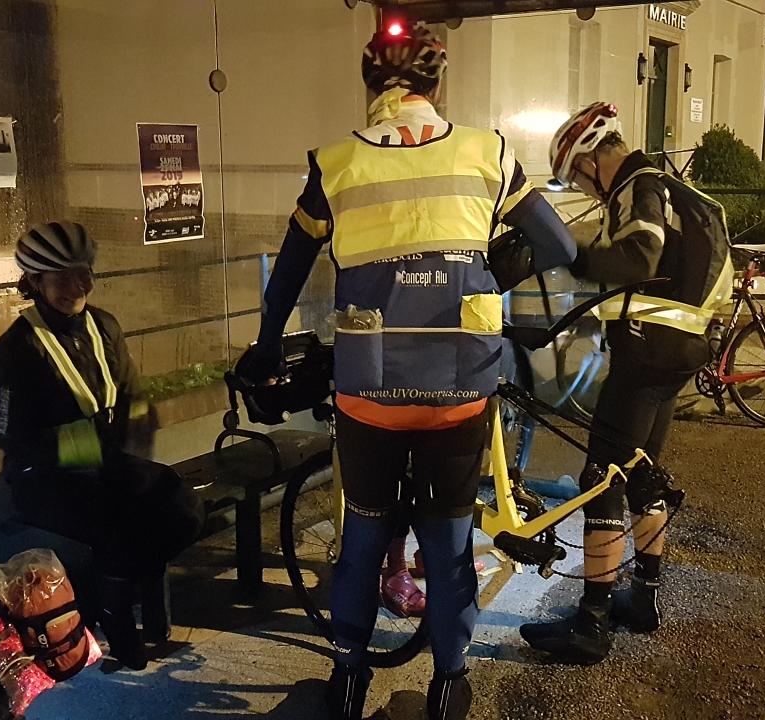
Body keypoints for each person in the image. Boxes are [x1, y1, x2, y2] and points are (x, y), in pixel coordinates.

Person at [235, 24, 576, 720]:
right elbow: (559, 243)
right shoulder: (488, 153)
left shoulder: (335, 164)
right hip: (459, 389)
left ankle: (347, 682)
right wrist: (490, 268)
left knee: (362, 538)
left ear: (370, 86)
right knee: (449, 548)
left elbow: (287, 278)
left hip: (371, 393)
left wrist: (267, 349)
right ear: (437, 86)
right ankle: (449, 687)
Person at [519, 103, 733, 664]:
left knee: (601, 478)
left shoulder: (637, 185)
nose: (582, 188)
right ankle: (643, 600)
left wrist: (578, 258)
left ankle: (591, 624)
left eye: (577, 177)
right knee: (642, 472)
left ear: (591, 160)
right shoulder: (668, 184)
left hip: (647, 347)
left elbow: (640, 255)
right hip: (684, 345)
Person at [0, 221, 205, 672]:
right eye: (63, 277)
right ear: (34, 282)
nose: (79, 286)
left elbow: (130, 394)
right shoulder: (15, 350)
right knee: (118, 520)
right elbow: (16, 441)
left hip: (103, 464)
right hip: (43, 479)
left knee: (179, 504)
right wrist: (96, 446)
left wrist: (135, 430)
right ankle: (116, 619)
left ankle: (131, 591)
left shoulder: (104, 326)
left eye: (84, 273)